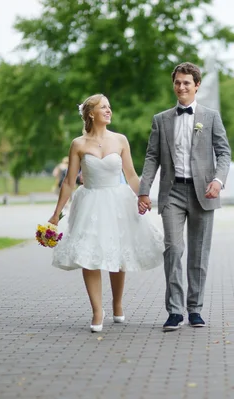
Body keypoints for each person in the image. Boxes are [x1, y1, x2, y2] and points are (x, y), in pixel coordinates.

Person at [48, 94, 164, 333]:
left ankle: (117, 303)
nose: (109, 110)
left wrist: (143, 195)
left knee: (116, 252)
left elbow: (131, 175)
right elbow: (69, 181)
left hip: (118, 200)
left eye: (110, 106)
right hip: (90, 201)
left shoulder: (120, 140)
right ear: (91, 113)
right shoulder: (78, 144)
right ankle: (97, 310)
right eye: (104, 107)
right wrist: (56, 214)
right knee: (90, 254)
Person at [137, 62, 232, 331]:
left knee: (198, 254)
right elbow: (152, 156)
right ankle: (175, 311)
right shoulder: (161, 119)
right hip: (172, 193)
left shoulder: (211, 117)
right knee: (174, 249)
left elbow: (224, 153)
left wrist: (218, 180)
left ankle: (195, 309)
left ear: (197, 85)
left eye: (187, 83)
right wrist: (144, 190)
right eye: (178, 82)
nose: (181, 87)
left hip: (203, 191)